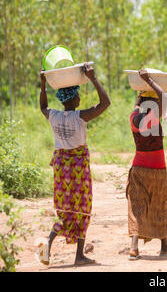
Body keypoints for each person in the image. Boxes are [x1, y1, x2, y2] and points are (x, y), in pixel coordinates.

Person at [37, 62, 110, 265]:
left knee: (65, 209)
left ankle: (48, 244)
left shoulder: (54, 115)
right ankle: (79, 255)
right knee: (82, 208)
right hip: (77, 168)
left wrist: (43, 85)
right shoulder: (80, 117)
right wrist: (93, 78)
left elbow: (42, 106)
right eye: (77, 95)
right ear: (73, 98)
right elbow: (105, 103)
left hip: (61, 167)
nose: (80, 97)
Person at [126, 69, 167, 260]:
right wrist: (149, 80)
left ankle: (133, 247)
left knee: (136, 207)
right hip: (158, 168)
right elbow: (165, 97)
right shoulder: (154, 118)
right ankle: (164, 247)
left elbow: (143, 104)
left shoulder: (134, 118)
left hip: (139, 167)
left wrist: (141, 93)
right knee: (159, 205)